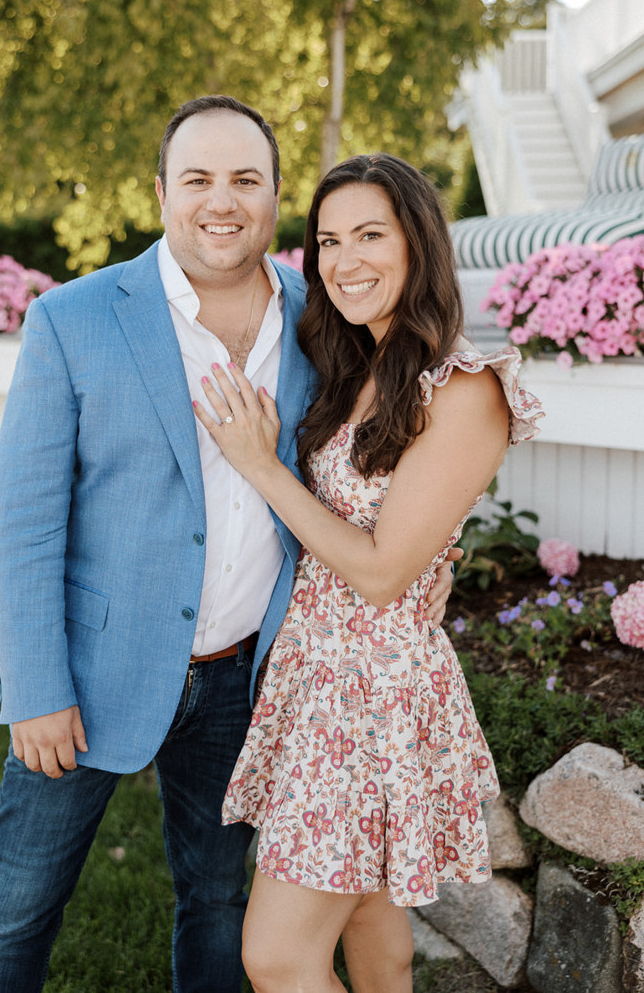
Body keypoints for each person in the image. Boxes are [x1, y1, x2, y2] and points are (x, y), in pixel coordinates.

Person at [0, 99, 457, 993]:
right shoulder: (72, 319)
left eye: (245, 181)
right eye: (197, 180)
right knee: (18, 907)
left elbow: (384, 457)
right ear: (160, 193)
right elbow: (25, 518)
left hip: (247, 681)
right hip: (89, 670)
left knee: (219, 907)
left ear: (272, 199)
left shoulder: (324, 316)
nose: (220, 202)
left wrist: (430, 552)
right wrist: (35, 685)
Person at [193, 152, 544, 993]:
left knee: (275, 956)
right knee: (370, 925)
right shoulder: (357, 369)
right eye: (327, 241)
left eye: (370, 236)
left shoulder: (466, 389)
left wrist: (261, 465)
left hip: (372, 697)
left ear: (417, 244)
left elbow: (384, 574)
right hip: (315, 678)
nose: (345, 262)